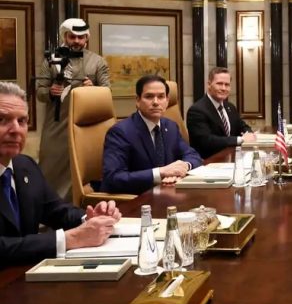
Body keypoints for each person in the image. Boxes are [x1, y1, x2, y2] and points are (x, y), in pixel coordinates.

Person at [0, 82, 120, 264]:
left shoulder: (25, 165)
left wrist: (89, 218)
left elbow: (57, 211)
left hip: (26, 273)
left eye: (22, 121)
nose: (16, 129)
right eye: (2, 119)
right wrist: (70, 239)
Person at [36, 18, 110, 201]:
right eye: (72, 37)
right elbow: (39, 92)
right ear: (65, 37)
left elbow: (107, 93)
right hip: (57, 125)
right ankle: (49, 208)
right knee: (51, 166)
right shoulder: (51, 61)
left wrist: (93, 88)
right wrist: (50, 92)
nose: (77, 41)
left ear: (86, 39)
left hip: (87, 126)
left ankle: (80, 208)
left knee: (83, 168)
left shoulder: (98, 62)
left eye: (81, 37)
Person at [101, 75, 202, 195]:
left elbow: (193, 155)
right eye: (149, 96)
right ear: (138, 101)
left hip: (167, 193)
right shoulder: (121, 132)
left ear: (167, 100)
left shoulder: (170, 126)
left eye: (161, 97)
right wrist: (161, 172)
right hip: (137, 198)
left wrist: (184, 166)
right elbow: (113, 178)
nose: (155, 102)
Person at [186, 67, 257, 158]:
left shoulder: (230, 107)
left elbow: (243, 127)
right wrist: (240, 139)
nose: (223, 88)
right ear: (209, 84)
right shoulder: (197, 110)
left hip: (231, 158)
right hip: (209, 161)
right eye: (219, 84)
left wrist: (249, 134)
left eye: (227, 85)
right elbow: (206, 141)